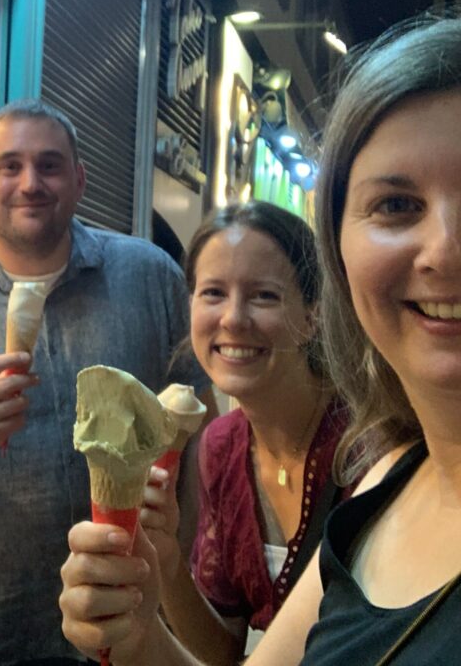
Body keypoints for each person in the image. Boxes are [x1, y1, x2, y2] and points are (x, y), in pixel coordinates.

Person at [59, 7, 461, 664]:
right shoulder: (389, 481)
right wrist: (139, 631)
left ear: (312, 309)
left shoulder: (355, 459)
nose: (446, 250)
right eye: (396, 205)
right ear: (343, 253)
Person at [0, 98, 216, 665]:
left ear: (80, 180)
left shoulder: (149, 275)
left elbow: (200, 433)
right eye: (9, 166)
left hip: (134, 622)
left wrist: (182, 565)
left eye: (50, 165)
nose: (30, 182)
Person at [139, 202, 348, 664]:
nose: (233, 318)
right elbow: (222, 652)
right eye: (213, 293)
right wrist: (168, 561)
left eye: (264, 296)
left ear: (312, 314)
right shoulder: (219, 447)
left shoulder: (365, 444)